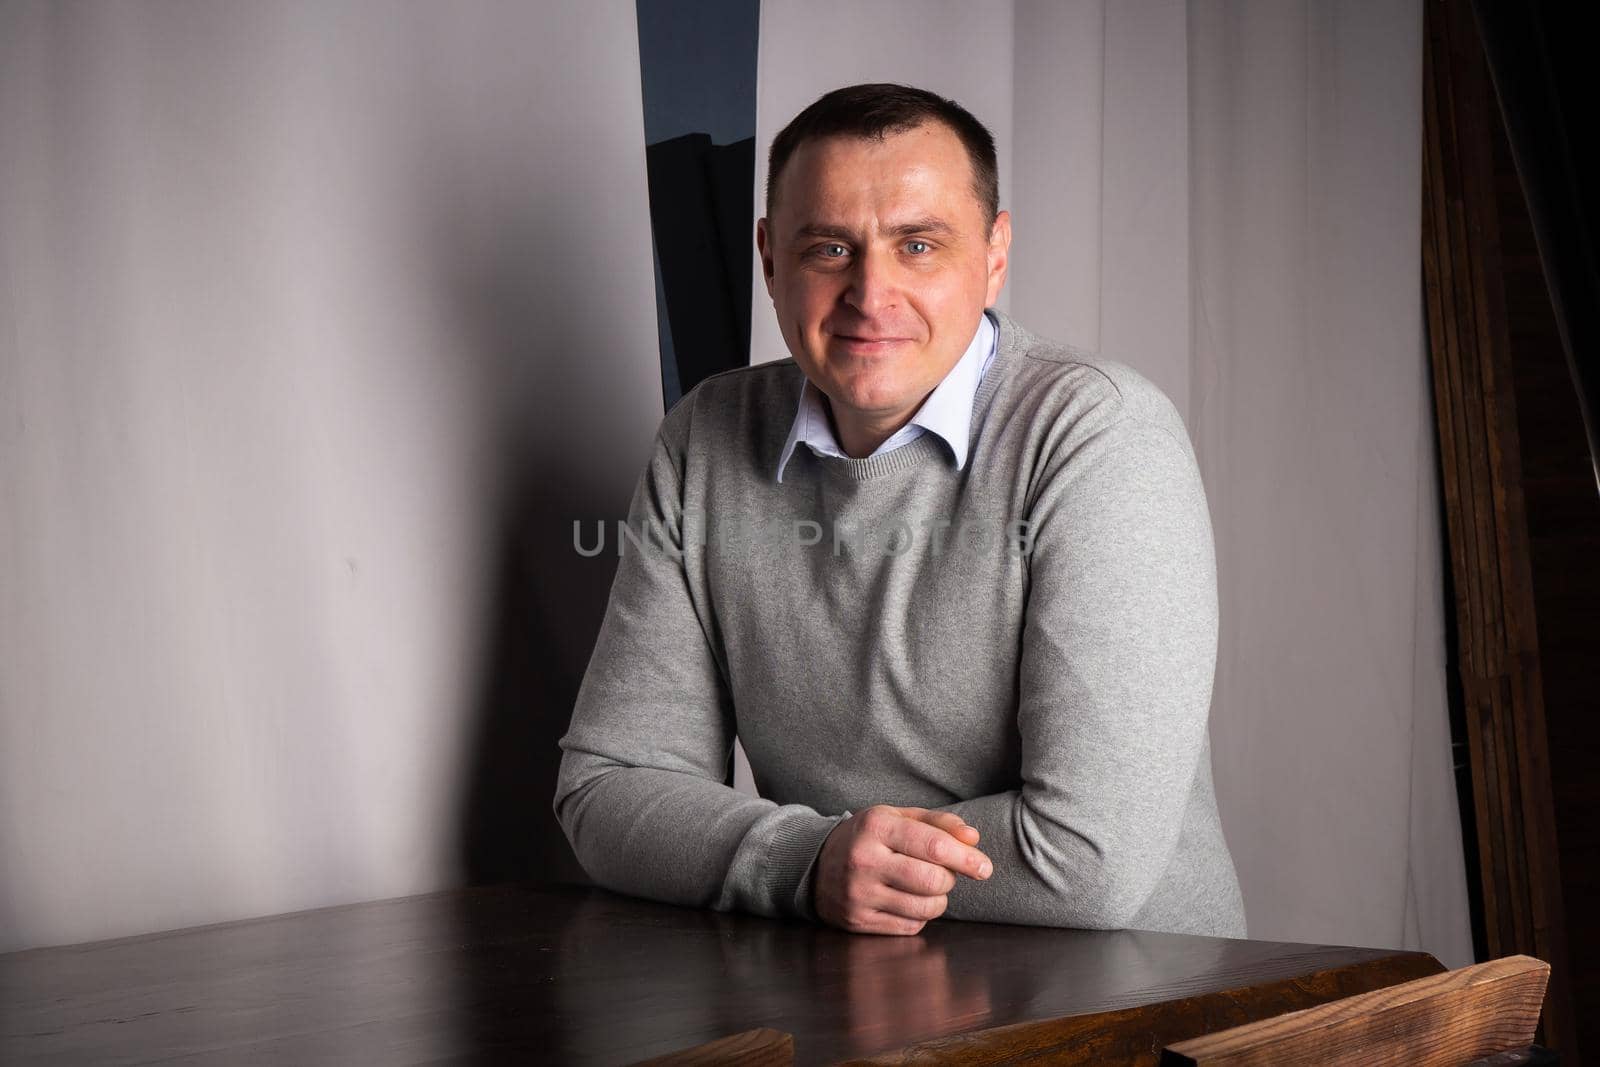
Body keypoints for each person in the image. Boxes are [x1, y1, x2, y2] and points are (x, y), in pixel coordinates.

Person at [555, 83, 1246, 938]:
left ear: (995, 255)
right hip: (850, 995)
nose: (870, 294)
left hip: (1130, 1004)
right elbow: (608, 785)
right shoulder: (708, 435)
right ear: (770, 257)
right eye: (830, 249)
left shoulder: (1099, 434)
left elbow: (1086, 861)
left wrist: (837, 859)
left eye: (918, 244)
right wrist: (809, 861)